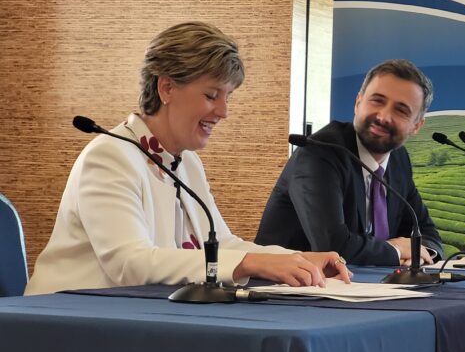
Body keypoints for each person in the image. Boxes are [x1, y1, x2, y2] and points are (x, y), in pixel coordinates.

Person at [25, 22, 350, 295]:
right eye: (211, 95)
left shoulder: (186, 161)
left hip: (137, 317)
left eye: (228, 97)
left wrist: (298, 259)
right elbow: (129, 264)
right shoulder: (110, 155)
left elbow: (221, 244)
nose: (223, 112)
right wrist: (251, 263)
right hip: (67, 323)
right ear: (166, 88)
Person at [255, 59, 443, 266]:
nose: (383, 116)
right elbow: (333, 246)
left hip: (363, 287)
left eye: (401, 110)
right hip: (288, 290)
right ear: (358, 103)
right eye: (377, 101)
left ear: (416, 126)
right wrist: (397, 250)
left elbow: (426, 233)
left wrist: (420, 253)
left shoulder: (398, 159)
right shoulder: (319, 153)